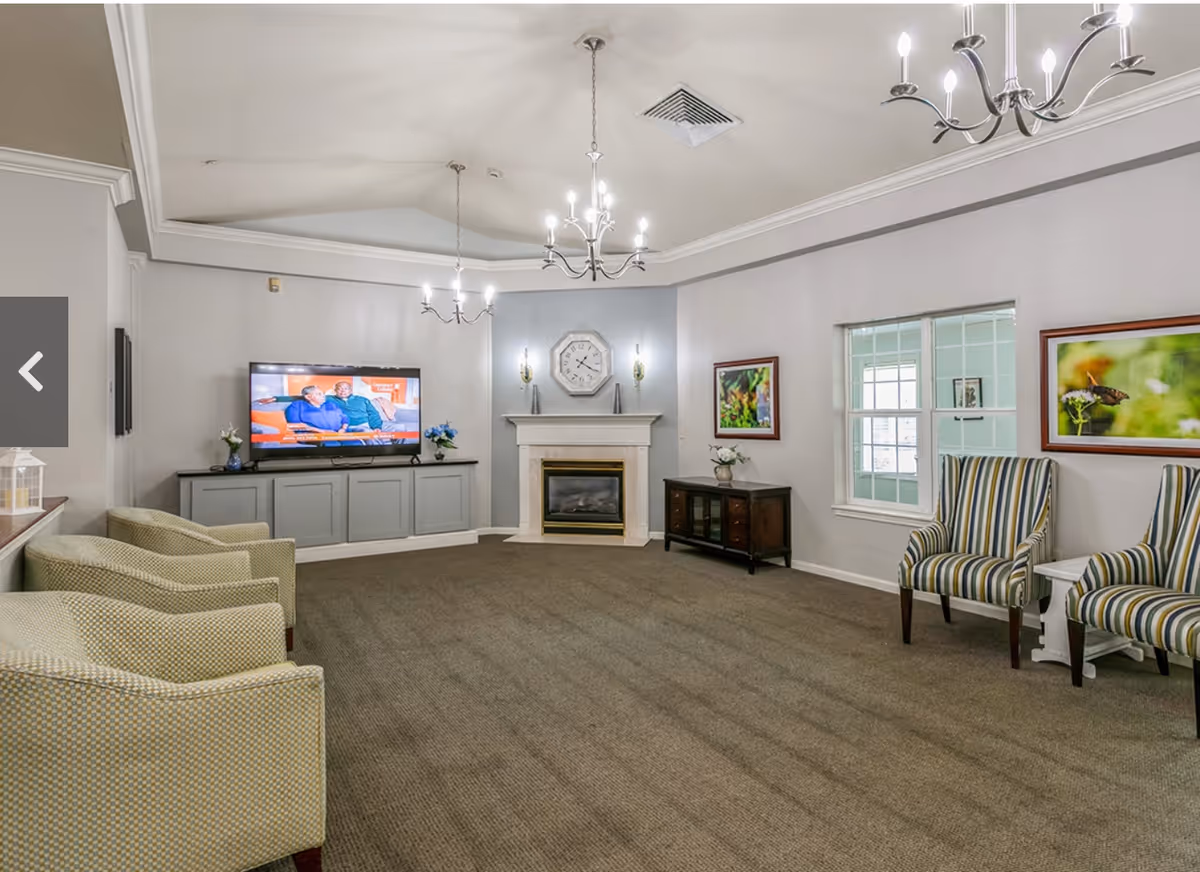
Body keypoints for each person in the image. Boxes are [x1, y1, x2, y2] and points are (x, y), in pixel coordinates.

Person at [284, 386, 349, 443]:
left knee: (354, 443)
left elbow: (344, 418)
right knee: (331, 444)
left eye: (323, 393)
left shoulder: (330, 404)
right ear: (308, 397)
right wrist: (322, 431)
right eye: (319, 394)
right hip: (314, 436)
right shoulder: (296, 406)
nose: (323, 396)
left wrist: (343, 428)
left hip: (338, 434)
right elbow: (295, 425)